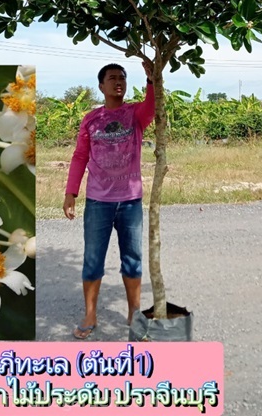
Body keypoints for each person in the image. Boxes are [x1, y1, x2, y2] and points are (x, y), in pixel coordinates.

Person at [63, 59, 155, 339]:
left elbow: (152, 106)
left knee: (133, 258)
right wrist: (71, 192)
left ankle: (134, 312)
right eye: (112, 78)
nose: (119, 82)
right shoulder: (91, 119)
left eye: (123, 78)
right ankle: (90, 313)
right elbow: (80, 156)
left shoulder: (136, 114)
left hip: (130, 200)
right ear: (101, 86)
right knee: (93, 259)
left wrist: (151, 79)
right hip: (98, 201)